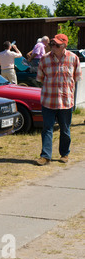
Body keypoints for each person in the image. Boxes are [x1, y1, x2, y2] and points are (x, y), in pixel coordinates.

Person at [35, 34, 82, 166]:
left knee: (65, 130)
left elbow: (76, 79)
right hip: (48, 100)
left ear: (64, 45)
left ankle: (64, 154)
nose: (53, 47)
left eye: (57, 45)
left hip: (66, 102)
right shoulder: (44, 59)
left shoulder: (74, 59)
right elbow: (41, 79)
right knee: (47, 128)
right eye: (52, 44)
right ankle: (45, 156)